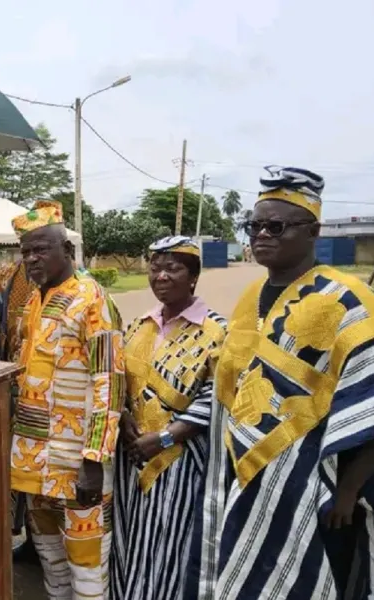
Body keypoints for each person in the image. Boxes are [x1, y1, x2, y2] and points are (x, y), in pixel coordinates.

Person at [185, 166, 374, 600]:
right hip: (245, 482)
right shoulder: (249, 299)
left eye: (276, 226)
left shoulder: (343, 297)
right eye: (254, 226)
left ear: (313, 231)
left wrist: (350, 488)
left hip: (314, 494)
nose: (261, 234)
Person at [9, 200, 125, 600]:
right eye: (26, 251)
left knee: (87, 567)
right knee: (51, 561)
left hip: (77, 464)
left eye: (41, 249)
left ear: (68, 250)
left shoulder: (93, 301)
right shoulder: (33, 302)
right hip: (32, 464)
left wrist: (94, 460)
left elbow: (109, 383)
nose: (31, 258)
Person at [109, 236, 226, 600]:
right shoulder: (138, 326)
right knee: (128, 540)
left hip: (179, 462)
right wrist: (123, 413)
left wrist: (164, 438)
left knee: (169, 546)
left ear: (193, 277)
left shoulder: (217, 331)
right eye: (155, 268)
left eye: (172, 269)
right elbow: (118, 378)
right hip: (131, 458)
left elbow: (217, 396)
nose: (160, 276)